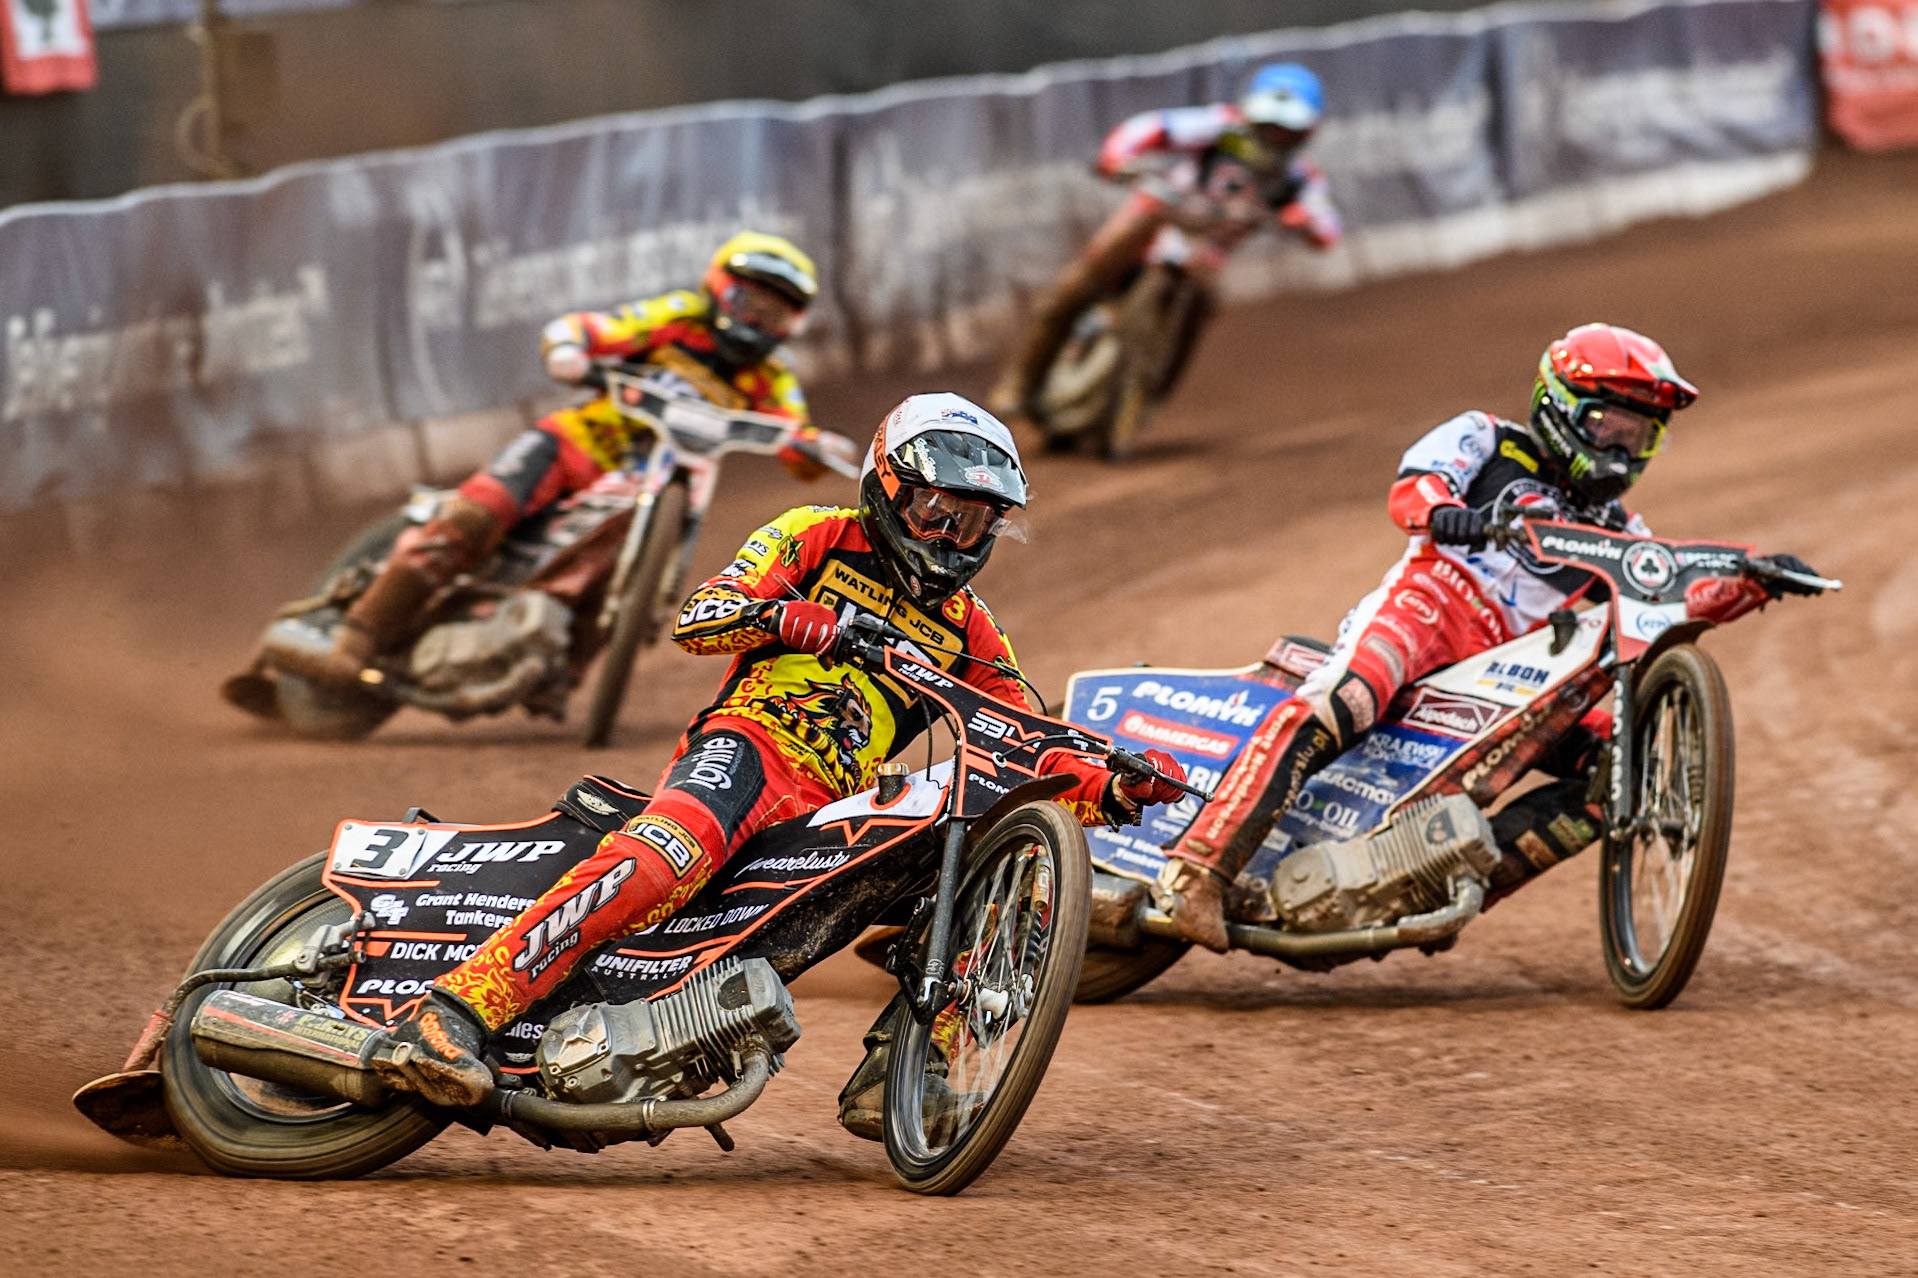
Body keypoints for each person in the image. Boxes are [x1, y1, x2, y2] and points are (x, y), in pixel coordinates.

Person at [375, 392, 1188, 1115]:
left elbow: (1024, 746)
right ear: (887, 487)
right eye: (936, 509)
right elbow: (701, 615)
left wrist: (1115, 787)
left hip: (837, 813)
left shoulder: (974, 630)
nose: (950, 535)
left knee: (1014, 874)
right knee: (670, 854)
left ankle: (906, 1069)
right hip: (749, 749)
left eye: (972, 521)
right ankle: (452, 1011)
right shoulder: (817, 535)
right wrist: (782, 618)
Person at [1156, 323, 1824, 951]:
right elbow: (1414, 486)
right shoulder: (1488, 439)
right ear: (1559, 408)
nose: (1621, 452)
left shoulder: (1621, 533)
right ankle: (1199, 871)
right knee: (1344, 700)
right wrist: (1443, 512)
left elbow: (1667, 594)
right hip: (1429, 606)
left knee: (1619, 769)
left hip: (1512, 673)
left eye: (1639, 436)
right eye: (1608, 427)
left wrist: (1753, 577)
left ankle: (1438, 887)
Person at [268, 231, 855, 689]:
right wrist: (572, 348)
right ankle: (357, 637)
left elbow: (796, 442)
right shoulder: (676, 319)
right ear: (720, 290)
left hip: (658, 485)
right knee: (476, 516)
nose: (757, 323)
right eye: (750, 303)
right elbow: (594, 328)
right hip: (575, 447)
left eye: (775, 315)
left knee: (629, 582)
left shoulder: (771, 377)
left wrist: (816, 448)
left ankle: (562, 670)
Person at [988, 61, 1342, 423]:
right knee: (1079, 283)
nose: (1275, 137)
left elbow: (1327, 223)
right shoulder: (1221, 127)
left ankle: (1152, 391)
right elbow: (1152, 128)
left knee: (1203, 303)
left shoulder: (1300, 174)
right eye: (1269, 125)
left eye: (1286, 130)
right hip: (1157, 215)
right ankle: (1023, 381)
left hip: (1209, 249)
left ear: (1306, 131)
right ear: (1250, 115)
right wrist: (1119, 156)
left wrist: (1305, 220)